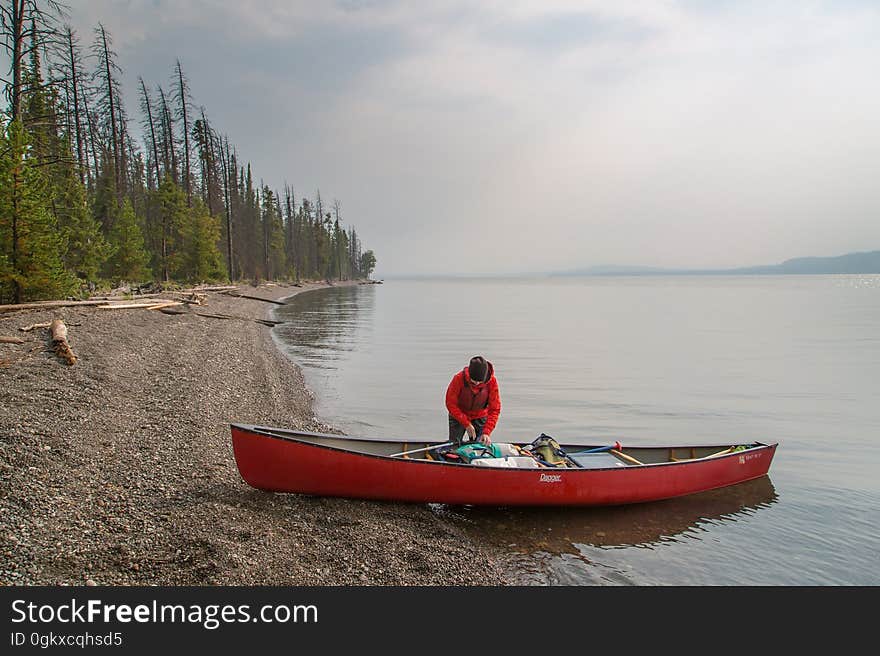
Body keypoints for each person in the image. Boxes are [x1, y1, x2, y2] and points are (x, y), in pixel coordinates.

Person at [445, 355, 501, 445]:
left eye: (480, 382)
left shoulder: (492, 382)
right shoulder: (458, 378)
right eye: (473, 381)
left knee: (479, 444)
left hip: (480, 416)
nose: (477, 383)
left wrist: (487, 432)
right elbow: (450, 403)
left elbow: (495, 409)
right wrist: (466, 423)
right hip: (459, 415)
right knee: (454, 444)